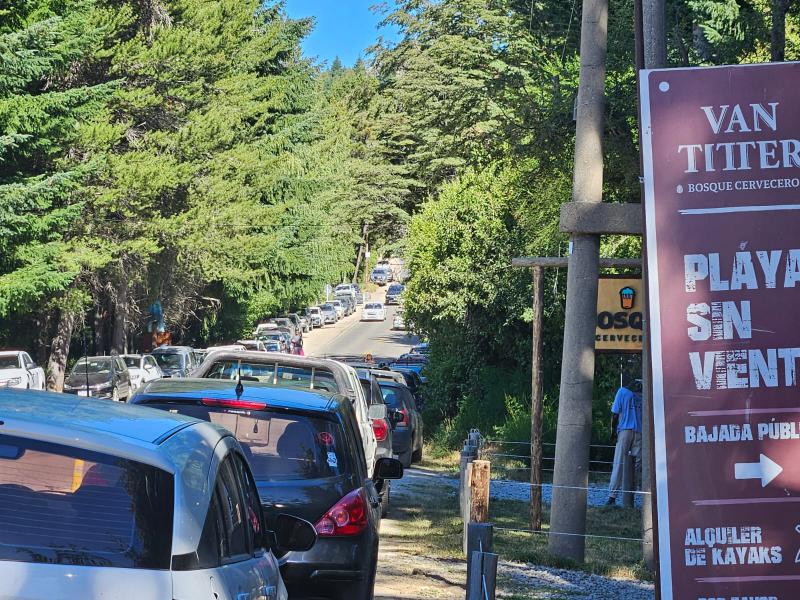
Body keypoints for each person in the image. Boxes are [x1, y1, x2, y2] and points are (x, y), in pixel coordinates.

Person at [606, 379, 643, 506]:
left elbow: (615, 414)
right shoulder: (642, 395)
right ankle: (630, 495)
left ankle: (613, 495)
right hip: (639, 431)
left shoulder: (622, 392)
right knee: (636, 465)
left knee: (619, 462)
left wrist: (613, 432)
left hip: (625, 430)